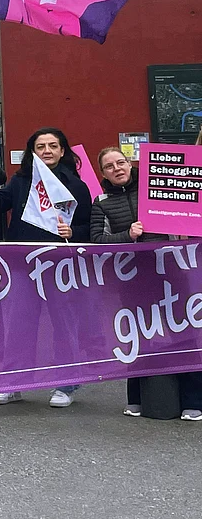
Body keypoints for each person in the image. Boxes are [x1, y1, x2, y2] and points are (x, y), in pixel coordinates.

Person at [0, 127, 92, 408]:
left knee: (64, 324)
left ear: (63, 151)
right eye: (40, 146)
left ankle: (67, 384)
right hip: (24, 263)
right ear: (32, 151)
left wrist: (74, 231)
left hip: (60, 265)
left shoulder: (75, 185)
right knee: (20, 324)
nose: (47, 151)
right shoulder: (21, 180)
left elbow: (88, 226)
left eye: (53, 146)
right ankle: (15, 383)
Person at [91, 147, 202, 421]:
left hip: (174, 272)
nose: (117, 168)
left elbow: (188, 216)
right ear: (103, 173)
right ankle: (136, 397)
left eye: (121, 162)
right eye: (109, 166)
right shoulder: (101, 201)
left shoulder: (156, 188)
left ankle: (194, 400)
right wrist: (126, 235)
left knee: (185, 332)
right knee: (138, 334)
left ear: (130, 164)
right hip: (132, 278)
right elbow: (96, 240)